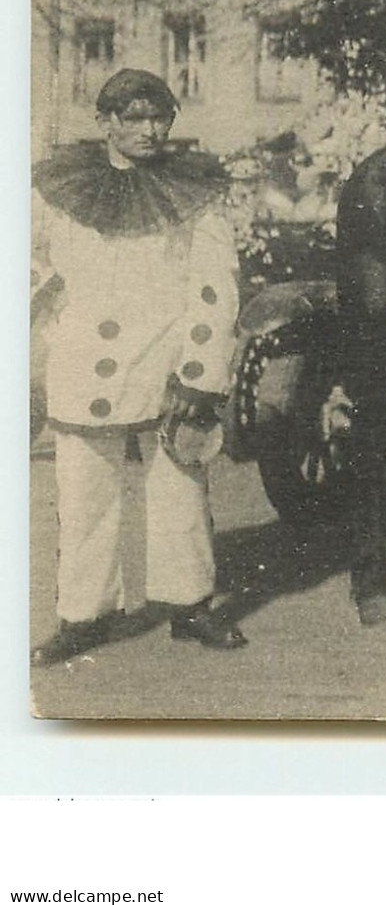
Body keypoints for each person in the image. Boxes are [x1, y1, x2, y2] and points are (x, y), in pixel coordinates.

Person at [31, 69, 247, 666]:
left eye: (160, 118)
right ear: (106, 123)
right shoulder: (55, 188)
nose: (150, 130)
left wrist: (198, 373)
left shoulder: (194, 191)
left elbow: (215, 286)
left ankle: (189, 605)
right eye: (135, 117)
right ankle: (83, 615)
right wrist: (52, 322)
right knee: (83, 495)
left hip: (165, 361)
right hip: (83, 364)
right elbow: (26, 260)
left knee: (178, 485)